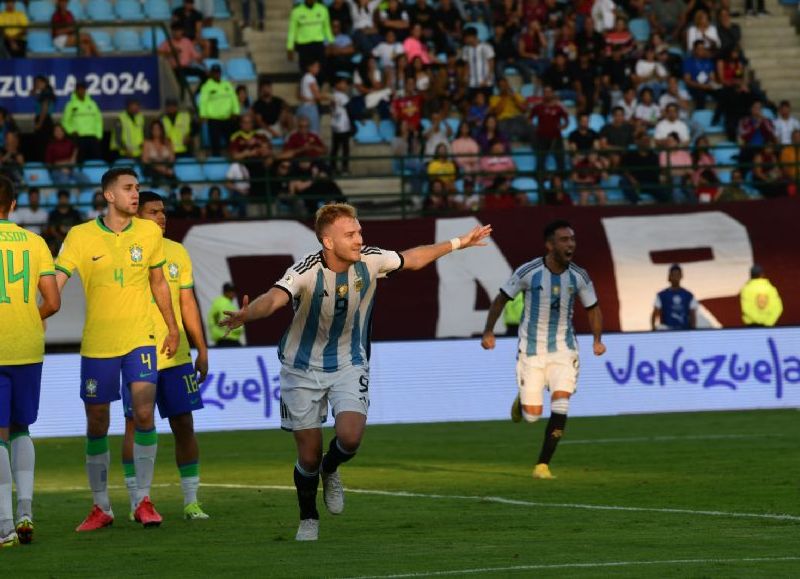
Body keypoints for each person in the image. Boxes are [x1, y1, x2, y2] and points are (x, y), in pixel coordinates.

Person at [218, 203, 491, 541]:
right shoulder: (305, 270)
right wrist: (248, 314)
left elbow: (414, 258)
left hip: (349, 361)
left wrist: (458, 243)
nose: (359, 239)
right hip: (300, 368)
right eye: (350, 234)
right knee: (308, 455)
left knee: (350, 437)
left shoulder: (371, 260)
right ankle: (308, 517)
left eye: (359, 231)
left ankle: (330, 470)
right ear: (327, 242)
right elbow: (274, 299)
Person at [54, 168, 180, 531]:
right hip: (98, 343)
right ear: (108, 196)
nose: (135, 194)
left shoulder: (148, 232)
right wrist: (39, 311)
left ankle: (142, 500)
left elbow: (159, 283)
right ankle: (101, 506)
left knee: (143, 414)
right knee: (97, 422)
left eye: (137, 188)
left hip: (140, 339)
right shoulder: (80, 236)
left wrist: (171, 327)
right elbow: (57, 281)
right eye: (128, 189)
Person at [481, 220, 605, 480]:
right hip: (531, 351)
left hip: (564, 349)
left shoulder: (579, 276)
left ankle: (542, 465)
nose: (570, 244)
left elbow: (593, 308)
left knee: (562, 399)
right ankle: (523, 400)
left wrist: (597, 339)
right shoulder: (529, 271)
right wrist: (489, 331)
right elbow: (502, 298)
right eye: (563, 239)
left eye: (572, 239)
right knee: (533, 416)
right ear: (549, 245)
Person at [119, 191, 209, 521]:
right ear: (137, 215)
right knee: (135, 425)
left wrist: (202, 347)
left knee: (184, 424)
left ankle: (191, 501)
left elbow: (187, 303)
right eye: (154, 211)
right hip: (136, 352)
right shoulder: (124, 252)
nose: (162, 217)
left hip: (177, 355)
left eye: (163, 211)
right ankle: (136, 501)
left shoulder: (176, 252)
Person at [0, 175, 61, 547]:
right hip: (27, 348)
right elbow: (53, 302)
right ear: (12, 204)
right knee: (22, 428)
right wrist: (25, 319)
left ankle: (4, 524)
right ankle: (25, 510)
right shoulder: (35, 242)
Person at [198, 65, 240, 157]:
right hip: (214, 120)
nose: (217, 74)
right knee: (215, 143)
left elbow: (234, 99)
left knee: (231, 142)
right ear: (211, 74)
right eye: (215, 72)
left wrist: (236, 111)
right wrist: (202, 115)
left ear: (220, 73)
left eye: (218, 72)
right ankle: (217, 162)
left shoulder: (227, 85)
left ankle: (232, 160)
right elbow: (203, 102)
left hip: (227, 118)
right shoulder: (206, 86)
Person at [286, 0, 334, 75]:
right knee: (305, 70)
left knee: (321, 69)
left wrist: (331, 42)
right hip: (303, 45)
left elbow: (327, 28)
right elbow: (292, 31)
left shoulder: (323, 9)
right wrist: (289, 48)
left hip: (318, 44)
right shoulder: (296, 11)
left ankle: (317, 86)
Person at [61, 82, 103, 162]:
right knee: (80, 161)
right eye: (79, 89)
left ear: (85, 90)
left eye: (82, 89)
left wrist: (99, 135)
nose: (81, 91)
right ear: (75, 91)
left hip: (93, 137)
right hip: (79, 138)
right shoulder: (70, 105)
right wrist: (71, 131)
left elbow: (98, 120)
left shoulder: (92, 104)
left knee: (96, 161)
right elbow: (65, 121)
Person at [651, 264, 698, 330]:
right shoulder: (662, 295)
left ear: (681, 276)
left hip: (684, 330)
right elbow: (655, 313)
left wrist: (693, 330)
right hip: (667, 331)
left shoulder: (688, 295)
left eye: (677, 275)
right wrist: (653, 329)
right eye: (673, 275)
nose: (675, 277)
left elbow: (692, 315)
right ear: (669, 276)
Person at [208, 283, 243, 347]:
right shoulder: (226, 304)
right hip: (229, 340)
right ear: (226, 292)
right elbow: (231, 323)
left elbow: (212, 321)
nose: (234, 294)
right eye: (231, 292)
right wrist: (240, 329)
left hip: (220, 339)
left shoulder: (217, 302)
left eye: (234, 291)